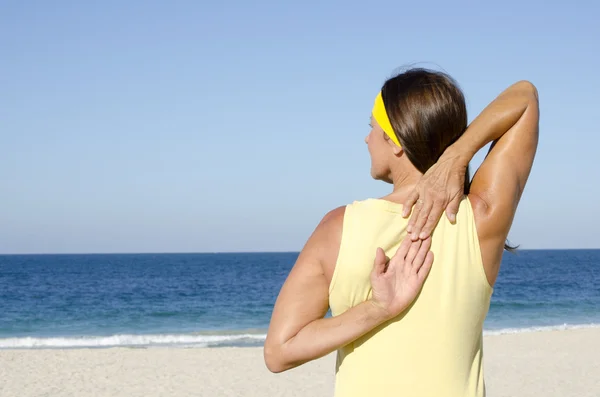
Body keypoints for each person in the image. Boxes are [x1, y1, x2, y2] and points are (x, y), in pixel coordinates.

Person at [264, 68, 539, 397]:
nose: (367, 138)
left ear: (395, 139)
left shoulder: (338, 228)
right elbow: (525, 97)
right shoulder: (477, 219)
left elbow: (280, 351)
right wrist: (457, 157)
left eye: (372, 127)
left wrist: (377, 310)